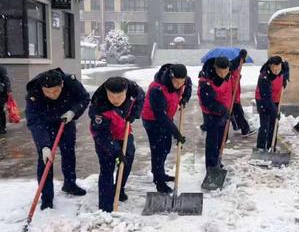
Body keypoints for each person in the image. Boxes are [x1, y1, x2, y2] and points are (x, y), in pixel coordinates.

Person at [25, 68, 90, 209]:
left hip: (65, 120)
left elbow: (84, 98)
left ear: (61, 84)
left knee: (68, 152)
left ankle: (69, 184)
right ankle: (47, 198)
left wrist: (74, 111)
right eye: (47, 92)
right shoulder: (34, 93)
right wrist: (44, 146)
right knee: (45, 159)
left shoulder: (70, 83)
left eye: (55, 91)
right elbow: (34, 121)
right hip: (44, 124)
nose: (51, 95)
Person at [89, 77, 145, 212]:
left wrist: (134, 114)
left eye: (120, 96)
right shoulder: (99, 104)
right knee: (107, 167)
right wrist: (116, 151)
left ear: (126, 91)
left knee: (127, 160)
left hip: (124, 130)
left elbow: (141, 97)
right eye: (112, 96)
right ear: (106, 92)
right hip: (104, 137)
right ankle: (105, 206)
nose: (116, 100)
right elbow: (101, 134)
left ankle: (119, 189)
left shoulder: (132, 88)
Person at [142, 63, 191, 193]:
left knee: (165, 148)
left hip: (166, 117)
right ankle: (159, 181)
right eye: (176, 82)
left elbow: (189, 83)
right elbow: (160, 116)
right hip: (152, 120)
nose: (179, 85)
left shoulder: (183, 80)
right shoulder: (157, 89)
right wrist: (177, 134)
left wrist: (185, 98)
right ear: (170, 77)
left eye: (181, 82)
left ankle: (160, 173)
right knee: (158, 150)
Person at [197, 56, 233, 176]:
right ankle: (211, 167)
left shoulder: (229, 73)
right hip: (211, 113)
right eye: (220, 72)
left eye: (225, 71)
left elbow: (236, 64)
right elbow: (208, 102)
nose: (223, 74)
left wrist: (240, 57)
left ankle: (217, 161)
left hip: (224, 111)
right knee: (213, 140)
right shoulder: (206, 81)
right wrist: (223, 109)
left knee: (223, 138)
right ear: (215, 68)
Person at [255, 56, 289, 151]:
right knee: (265, 124)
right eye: (273, 67)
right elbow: (266, 98)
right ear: (269, 66)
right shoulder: (264, 77)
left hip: (276, 99)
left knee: (274, 125)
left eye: (278, 68)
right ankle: (261, 147)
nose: (275, 70)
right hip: (263, 99)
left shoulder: (284, 67)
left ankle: (271, 146)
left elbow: (286, 69)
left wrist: (286, 78)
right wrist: (274, 112)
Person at [230, 49, 256, 137]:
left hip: (235, 97)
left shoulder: (234, 69)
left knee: (235, 114)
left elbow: (237, 63)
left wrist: (242, 58)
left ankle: (241, 127)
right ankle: (245, 130)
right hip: (231, 97)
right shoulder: (229, 71)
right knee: (238, 114)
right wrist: (240, 58)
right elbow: (234, 63)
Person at [0, 66, 12, 134]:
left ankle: (2, 128)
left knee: (0, 111)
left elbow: (6, 79)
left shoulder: (1, 68)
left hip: (1, 93)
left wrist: (9, 90)